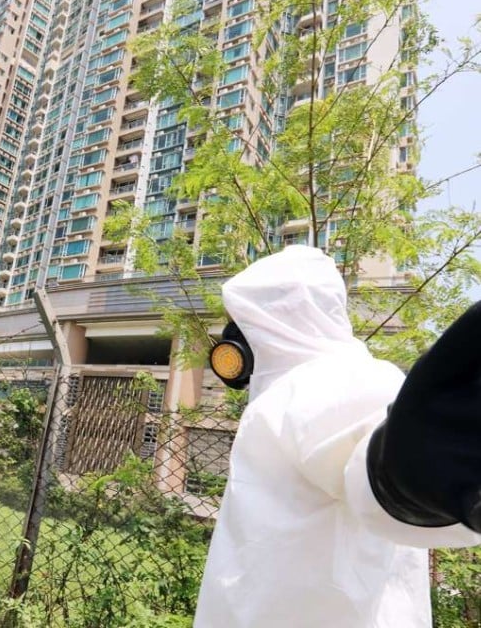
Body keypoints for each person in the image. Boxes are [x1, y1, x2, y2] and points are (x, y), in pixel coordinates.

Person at [196, 245, 481, 628]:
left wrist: (418, 479)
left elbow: (371, 470)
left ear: (271, 317)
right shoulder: (301, 385)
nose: (232, 336)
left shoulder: (328, 381)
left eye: (241, 319)